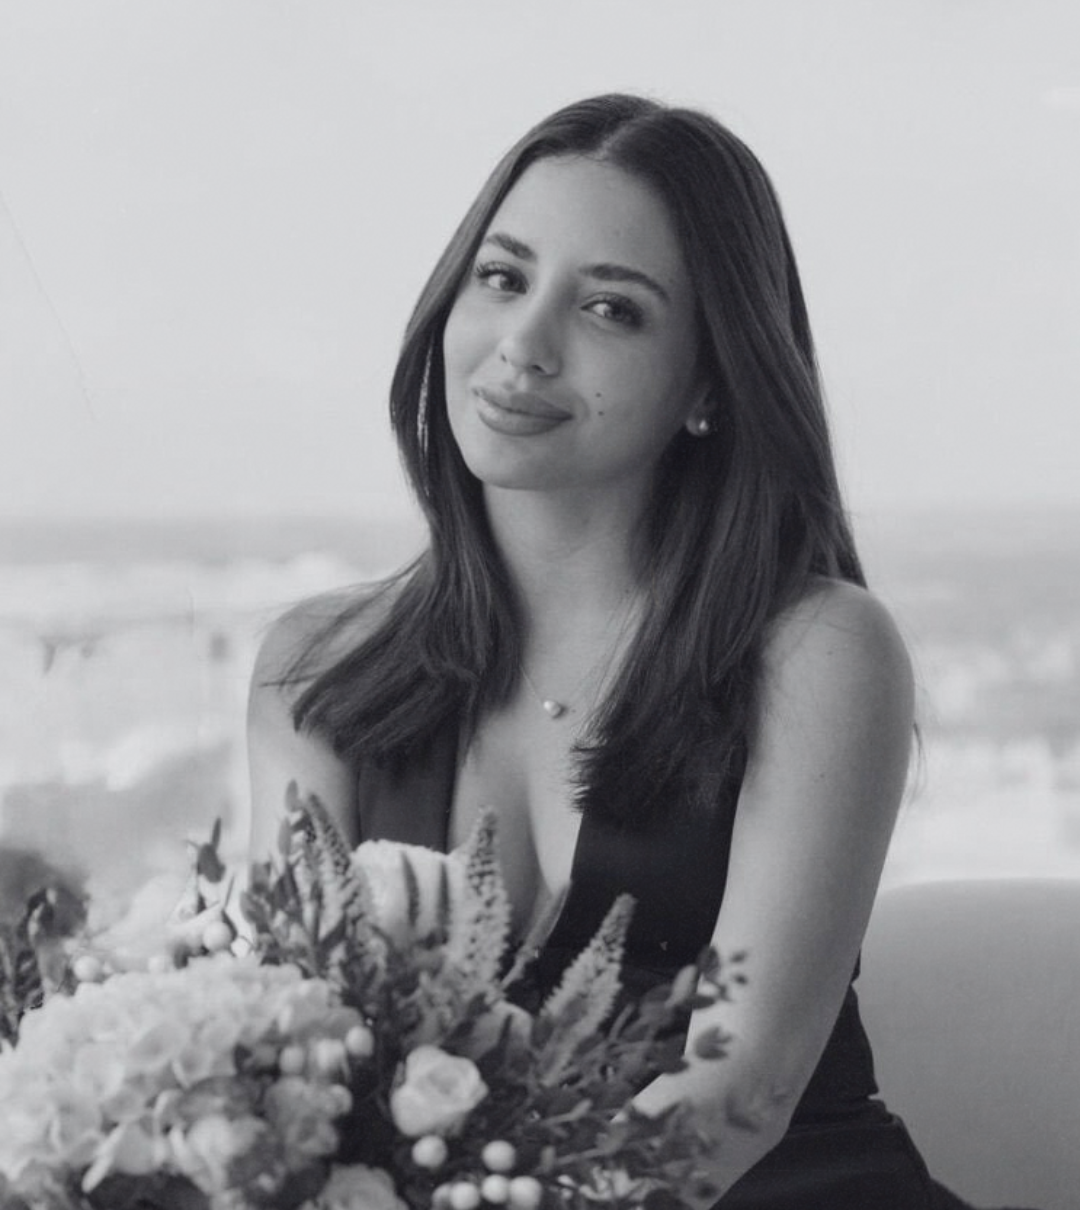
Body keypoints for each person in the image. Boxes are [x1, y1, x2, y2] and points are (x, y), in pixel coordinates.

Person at [247, 95, 1015, 1208]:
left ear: (710, 384)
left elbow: (739, 1093)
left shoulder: (815, 652)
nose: (524, 345)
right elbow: (284, 1051)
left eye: (610, 309)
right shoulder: (314, 670)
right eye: (502, 279)